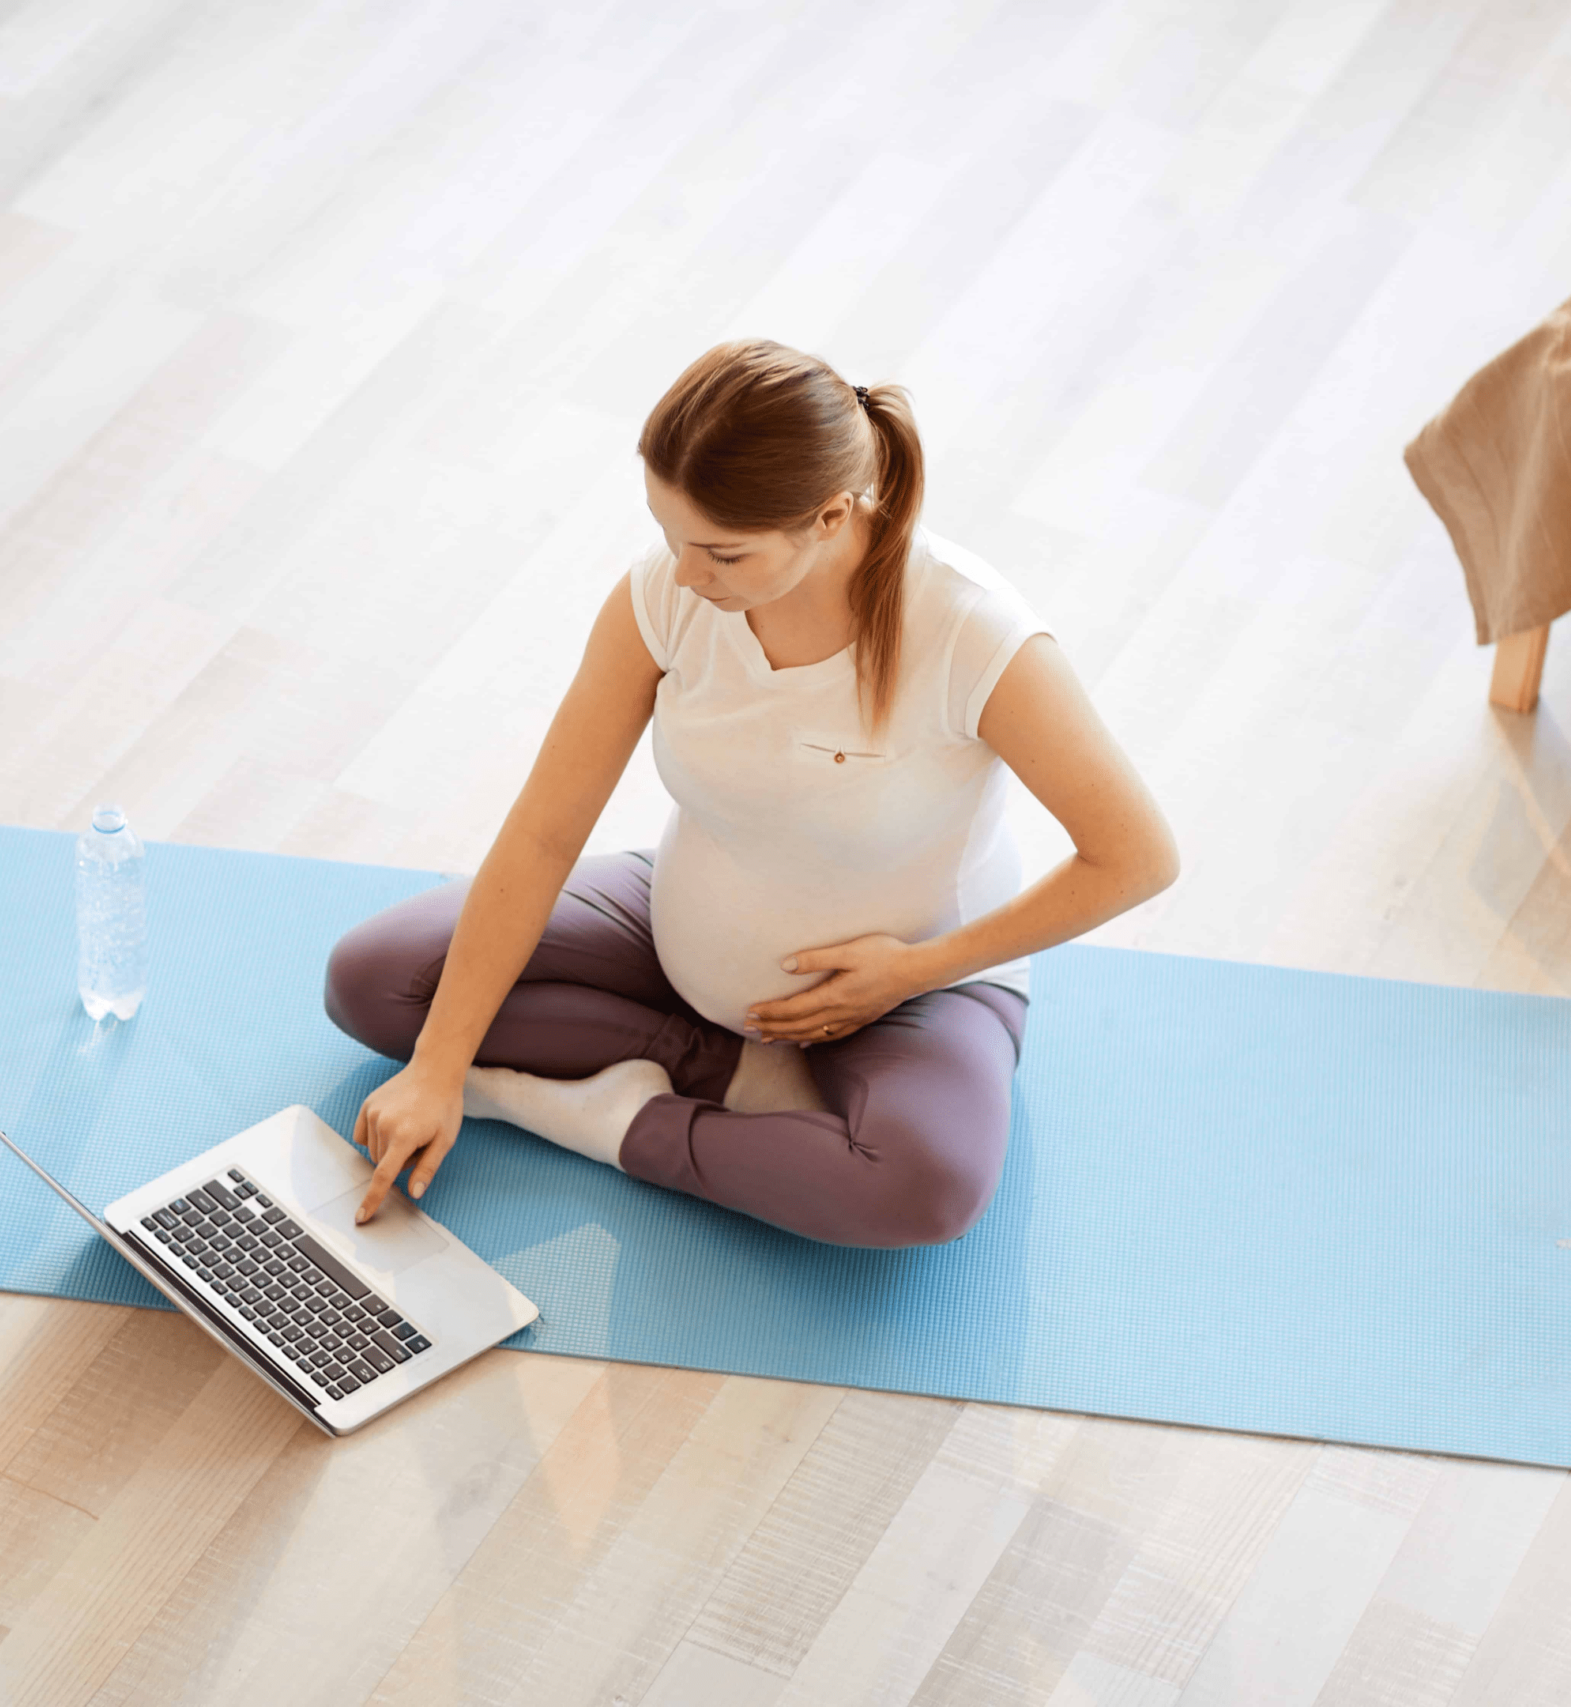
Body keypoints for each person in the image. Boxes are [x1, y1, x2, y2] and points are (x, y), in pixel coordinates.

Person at [324, 338, 1179, 1248]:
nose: (685, 576)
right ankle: (728, 1072)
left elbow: (1137, 856)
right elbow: (544, 831)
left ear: (830, 516)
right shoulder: (666, 593)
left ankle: (602, 1120)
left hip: (918, 973)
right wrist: (439, 1067)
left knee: (918, 1190)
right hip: (680, 920)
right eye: (669, 536)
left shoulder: (975, 636)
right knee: (376, 985)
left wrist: (912, 971)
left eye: (721, 554)